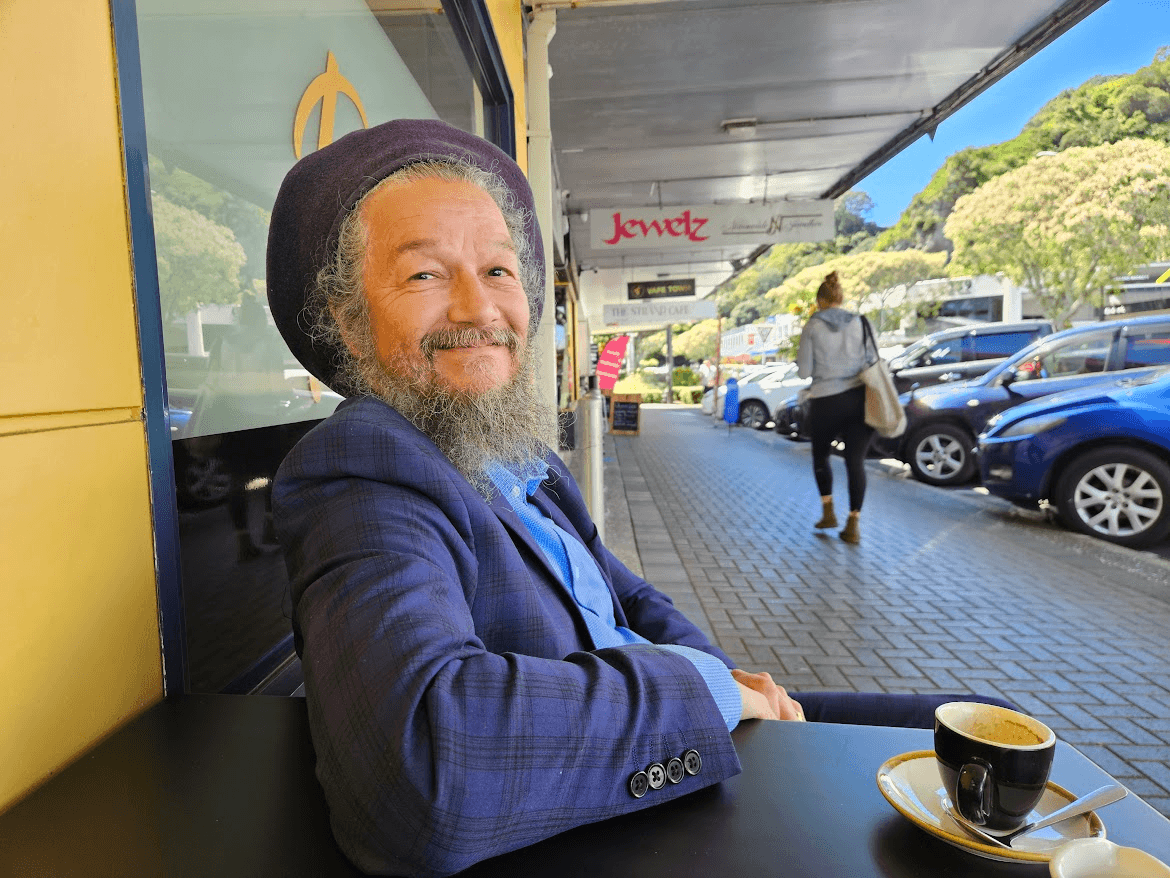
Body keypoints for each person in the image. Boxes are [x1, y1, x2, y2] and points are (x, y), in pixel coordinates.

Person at [265, 120, 1010, 877]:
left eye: (498, 270)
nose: (477, 309)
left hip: (674, 749)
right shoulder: (362, 469)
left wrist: (731, 686)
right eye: (425, 275)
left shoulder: (516, 458)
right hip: (616, 811)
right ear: (349, 327)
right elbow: (420, 770)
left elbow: (627, 597)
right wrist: (702, 695)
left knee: (986, 733)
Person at [796, 271, 877, 544]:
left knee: (821, 456)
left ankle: (828, 511)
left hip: (826, 399)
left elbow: (804, 370)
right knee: (856, 462)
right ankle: (853, 524)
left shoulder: (812, 326)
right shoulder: (862, 323)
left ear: (819, 301)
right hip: (859, 399)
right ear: (841, 298)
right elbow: (873, 360)